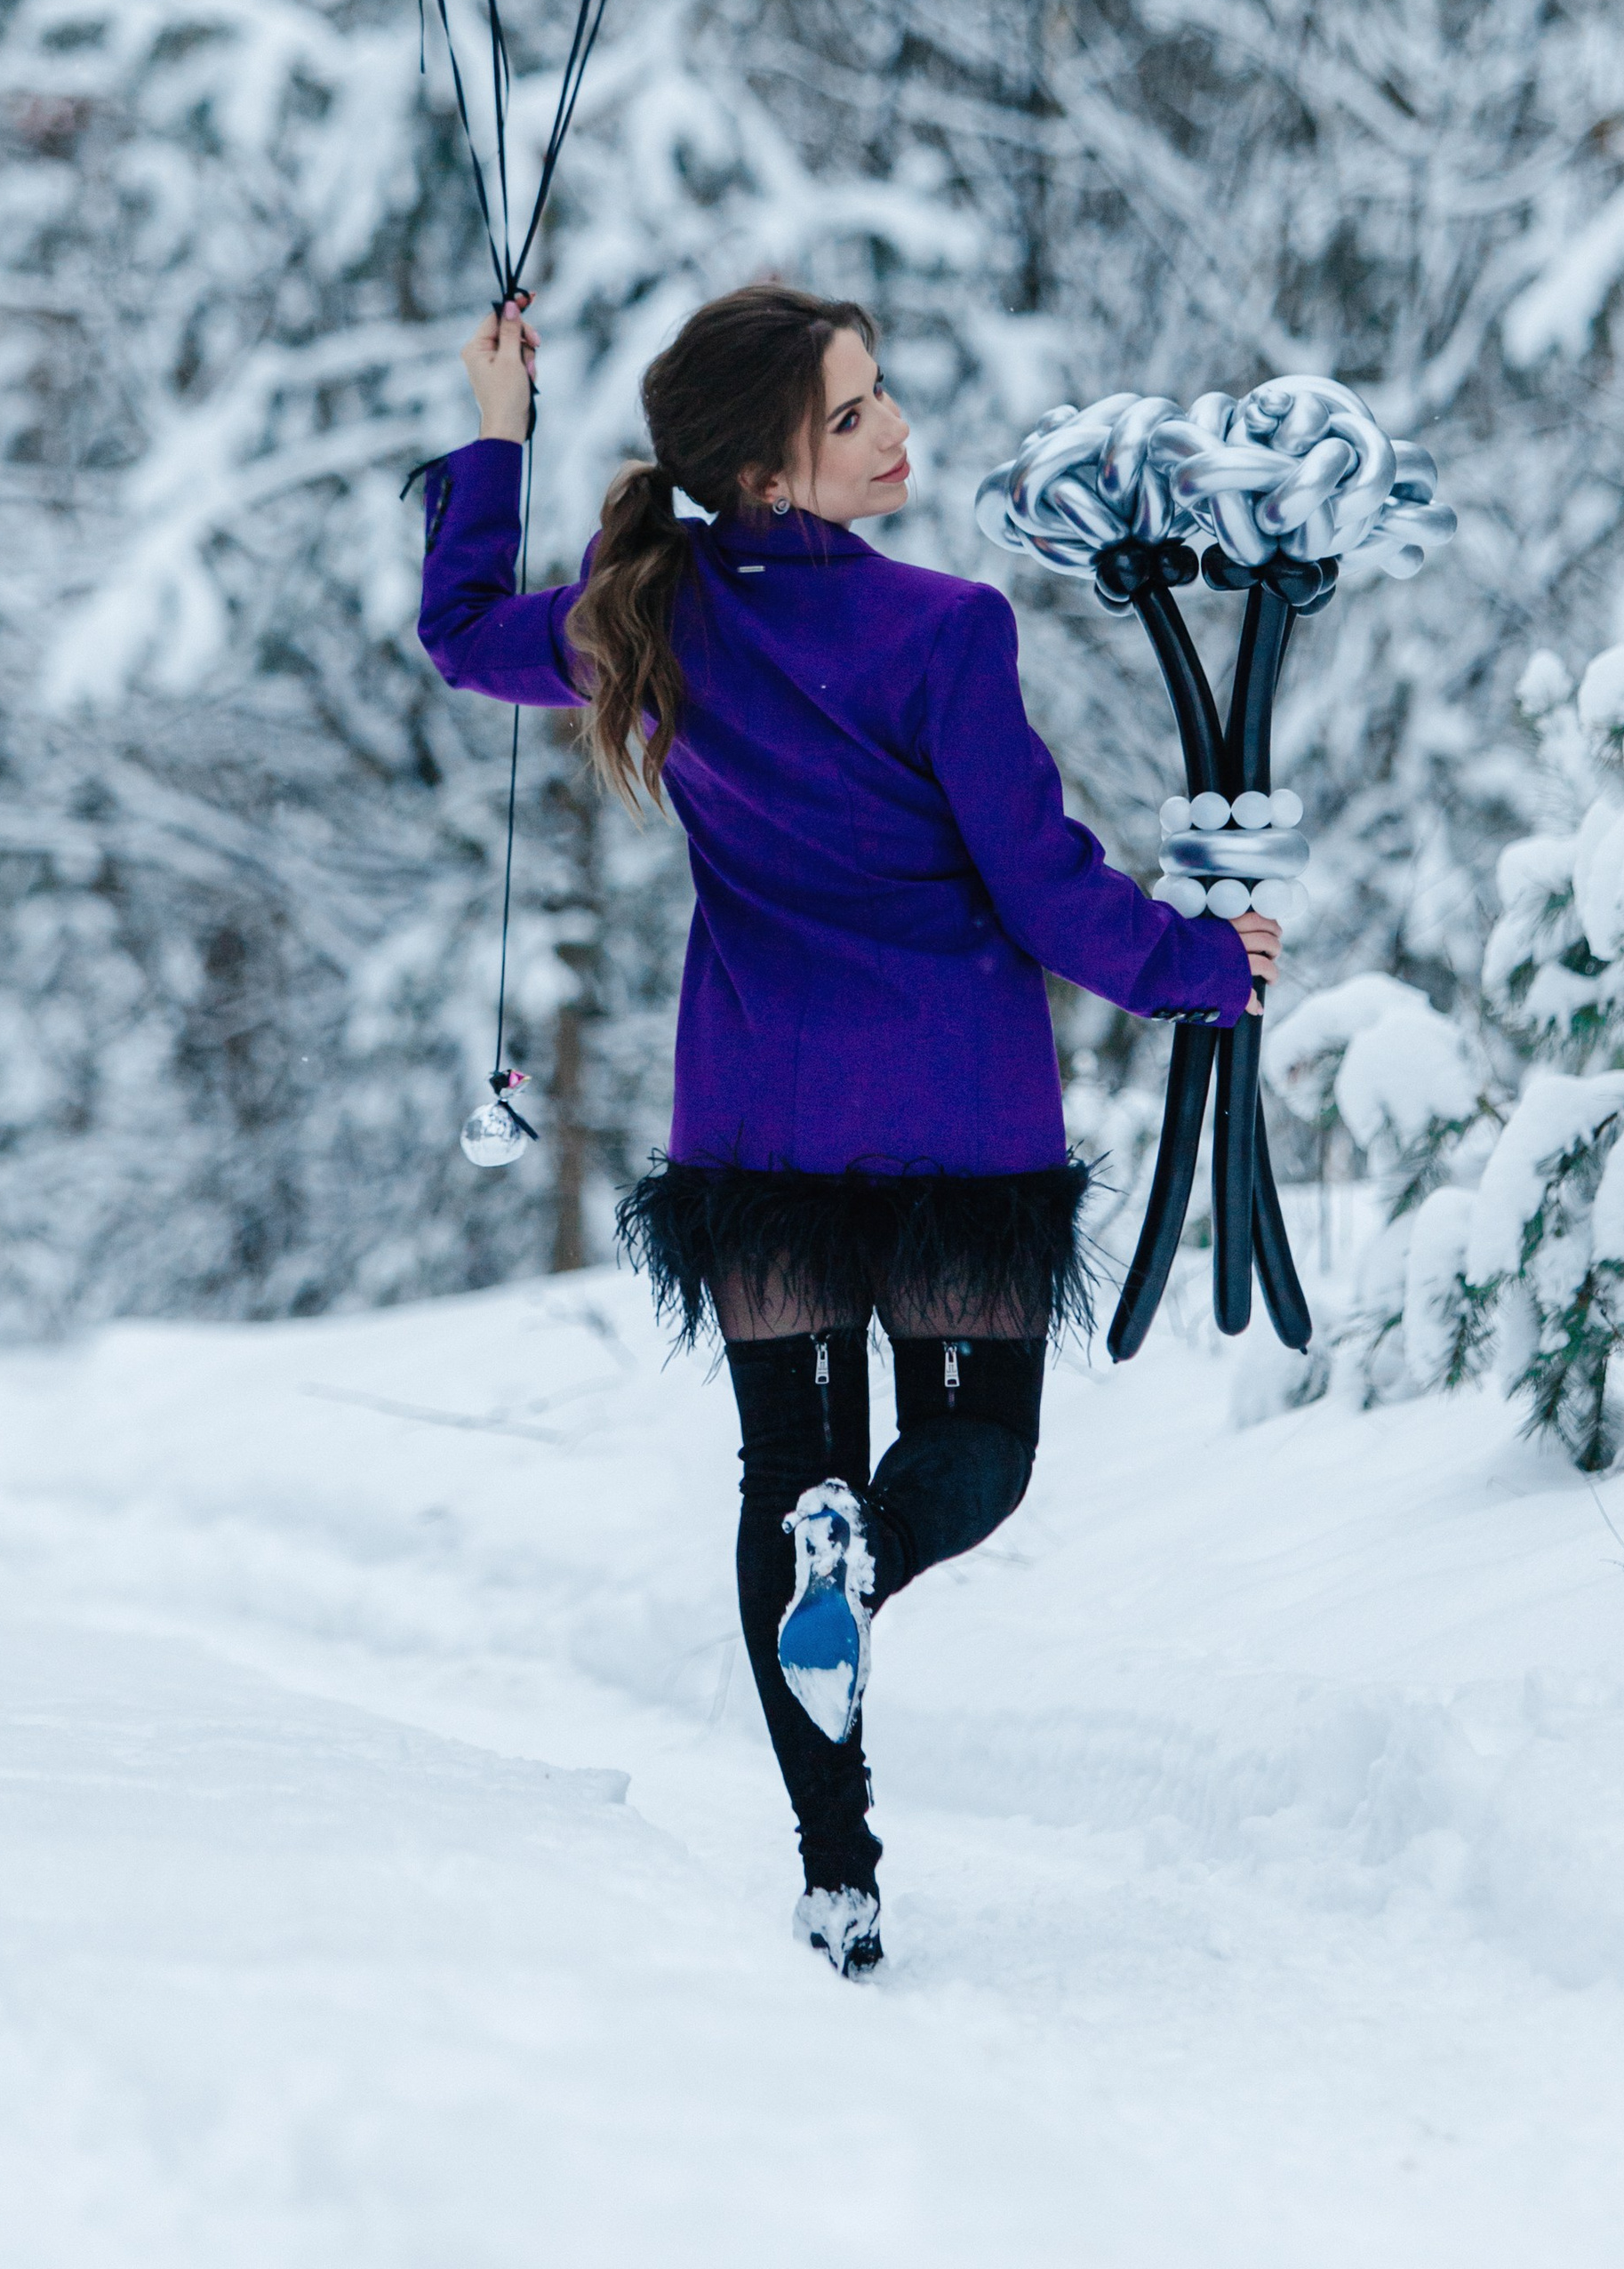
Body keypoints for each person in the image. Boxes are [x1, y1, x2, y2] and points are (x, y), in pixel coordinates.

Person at [417, 283, 1279, 1977]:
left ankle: (838, 1874)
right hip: (958, 1127)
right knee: (981, 1459)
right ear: (764, 472)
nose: (896, 433)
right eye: (854, 418)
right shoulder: (944, 631)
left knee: (776, 1479)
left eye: (880, 399)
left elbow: (458, 633)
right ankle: (866, 1552)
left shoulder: (642, 618)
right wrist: (1202, 966)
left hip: (764, 1127)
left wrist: (497, 427)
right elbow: (1041, 885)